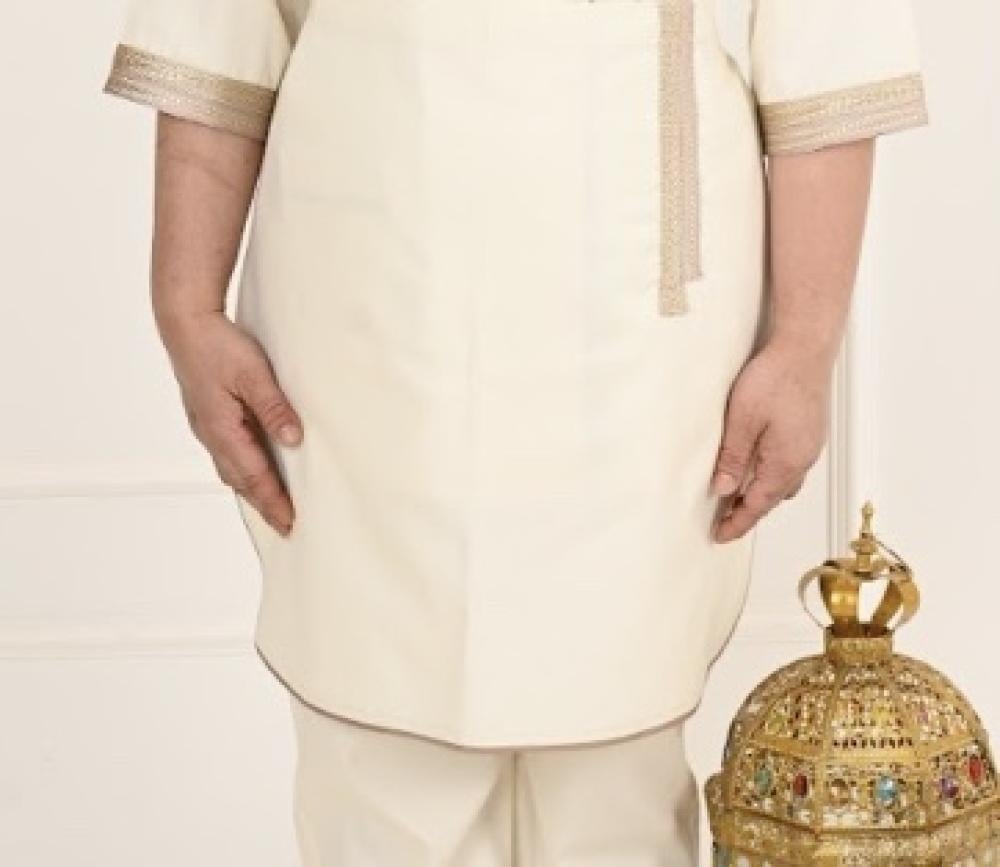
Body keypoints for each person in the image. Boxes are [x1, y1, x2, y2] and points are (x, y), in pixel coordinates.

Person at [102, 0, 928, 863]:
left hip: (637, 316)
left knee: (616, 771)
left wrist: (804, 344)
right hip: (362, 299)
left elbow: (829, 31)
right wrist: (186, 302)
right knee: (378, 754)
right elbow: (216, 22)